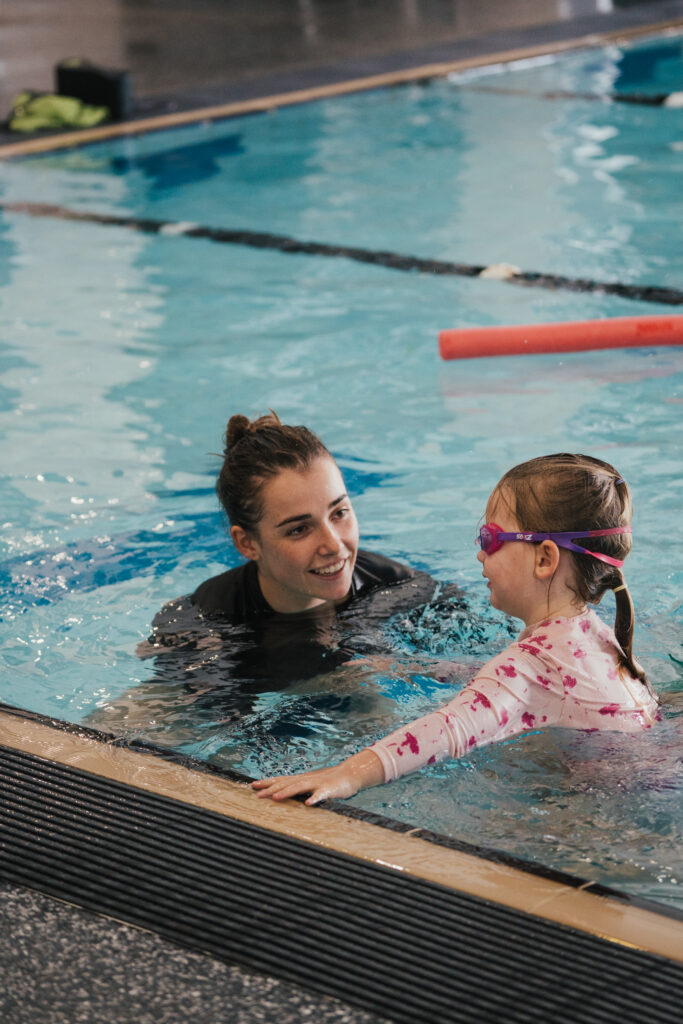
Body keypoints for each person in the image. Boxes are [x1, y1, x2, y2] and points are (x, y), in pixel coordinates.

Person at [253, 453, 659, 805]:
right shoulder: (596, 635)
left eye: (491, 537)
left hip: (603, 813)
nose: (481, 552)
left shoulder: (527, 666)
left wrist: (345, 774)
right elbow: (525, 691)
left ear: (545, 559)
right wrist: (429, 671)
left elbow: (447, 730)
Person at [137, 412, 463, 707]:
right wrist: (328, 682)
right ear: (248, 543)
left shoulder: (402, 589)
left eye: (340, 512)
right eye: (299, 529)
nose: (334, 546)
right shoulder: (205, 626)